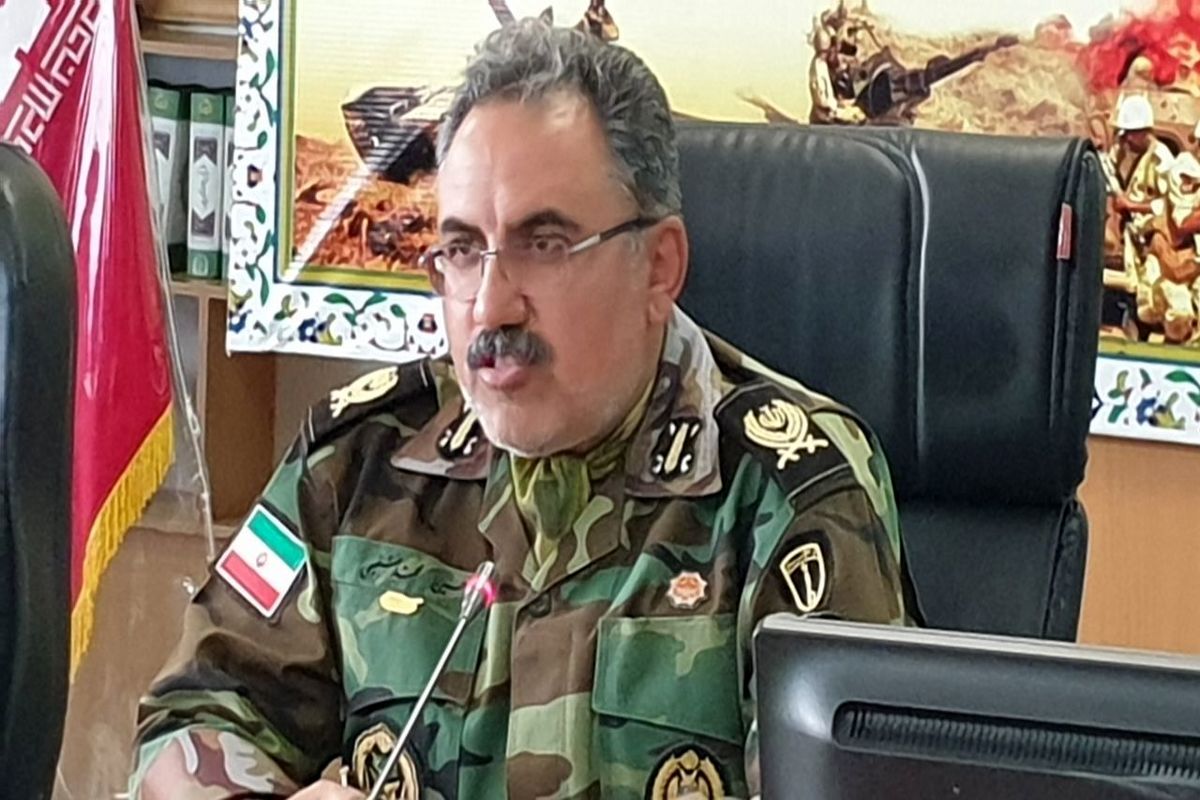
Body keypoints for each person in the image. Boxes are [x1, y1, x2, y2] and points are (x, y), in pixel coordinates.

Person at [130, 18, 916, 800]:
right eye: (461, 250)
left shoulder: (788, 493)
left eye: (544, 246)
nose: (491, 305)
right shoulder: (357, 458)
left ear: (659, 266)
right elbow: (195, 714)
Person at [1100, 93, 1175, 327]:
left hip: (1154, 238)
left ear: (1142, 132)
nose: (1126, 140)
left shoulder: (1161, 160)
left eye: (1130, 134)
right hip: (1132, 236)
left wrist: (1133, 206)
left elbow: (1169, 204)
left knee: (1153, 292)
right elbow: (1110, 170)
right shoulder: (1124, 152)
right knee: (1133, 288)